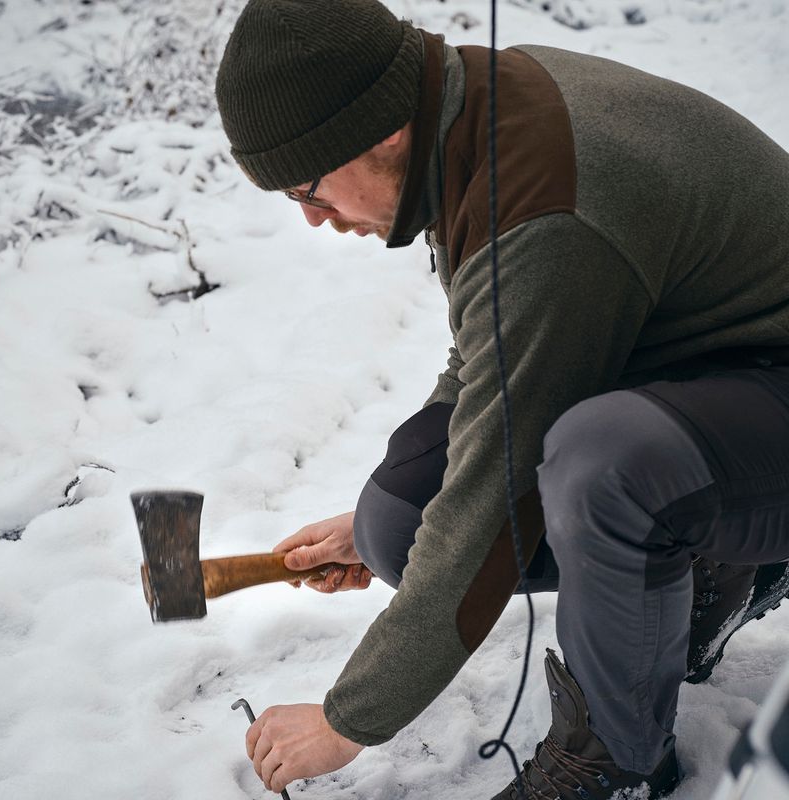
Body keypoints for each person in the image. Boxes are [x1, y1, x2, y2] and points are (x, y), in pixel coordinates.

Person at [214, 1, 789, 796]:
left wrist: (350, 718)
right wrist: (383, 521)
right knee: (399, 519)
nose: (313, 219)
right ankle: (716, 571)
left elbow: (493, 496)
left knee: (607, 464)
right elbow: (494, 358)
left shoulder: (545, 203)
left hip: (770, 393)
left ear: (379, 130)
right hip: (715, 376)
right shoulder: (462, 111)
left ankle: (614, 761)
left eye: (307, 189)